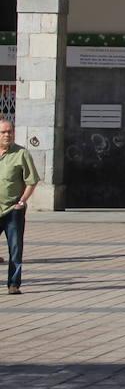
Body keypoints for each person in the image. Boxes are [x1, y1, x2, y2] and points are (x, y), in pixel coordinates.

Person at [0, 122, 39, 294]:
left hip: (12, 210)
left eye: (10, 131)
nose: (7, 135)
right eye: (3, 132)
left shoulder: (21, 154)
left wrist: (22, 202)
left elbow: (32, 180)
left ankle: (13, 284)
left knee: (15, 248)